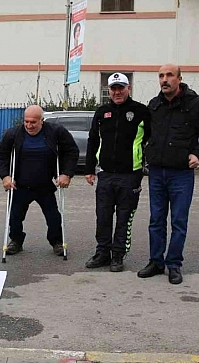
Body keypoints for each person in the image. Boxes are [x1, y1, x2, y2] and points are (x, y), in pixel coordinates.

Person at [137, 64, 199, 285]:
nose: (165, 79)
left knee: (179, 221)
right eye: (161, 76)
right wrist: (148, 150)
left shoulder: (194, 105)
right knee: (156, 221)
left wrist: (197, 153)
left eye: (169, 75)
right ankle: (156, 261)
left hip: (181, 174)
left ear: (179, 79)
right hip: (156, 172)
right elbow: (146, 134)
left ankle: (174, 264)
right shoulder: (154, 106)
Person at [84, 73, 150, 272]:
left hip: (131, 175)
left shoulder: (140, 111)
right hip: (105, 174)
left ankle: (118, 255)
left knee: (124, 217)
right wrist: (89, 169)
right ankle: (102, 252)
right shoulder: (102, 112)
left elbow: (151, 139)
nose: (117, 92)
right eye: (113, 88)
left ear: (128, 88)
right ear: (109, 90)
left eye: (121, 87)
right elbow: (93, 140)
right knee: (103, 216)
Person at [0, 105, 79, 256]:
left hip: (45, 184)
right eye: (26, 121)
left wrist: (66, 174)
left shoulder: (56, 132)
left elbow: (71, 151)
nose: (29, 125)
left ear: (42, 120)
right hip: (19, 185)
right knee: (14, 216)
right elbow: (1, 154)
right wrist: (5, 176)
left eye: (33, 122)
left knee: (53, 217)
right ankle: (16, 241)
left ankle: (57, 242)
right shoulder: (14, 134)